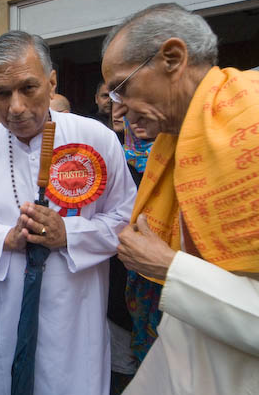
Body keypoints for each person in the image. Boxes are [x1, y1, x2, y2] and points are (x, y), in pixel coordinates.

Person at [0, 30, 137, 394]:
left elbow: (125, 220)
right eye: (2, 93)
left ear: (51, 82)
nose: (15, 107)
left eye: (28, 88)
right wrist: (6, 238)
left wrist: (70, 235)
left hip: (76, 323)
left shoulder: (96, 138)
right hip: (5, 317)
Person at [102, 3, 259, 394]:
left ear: (172, 58)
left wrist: (170, 268)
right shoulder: (174, 144)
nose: (116, 107)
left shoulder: (250, 131)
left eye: (122, 87)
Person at [107, 117, 161, 394]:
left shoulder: (183, 160)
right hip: (122, 284)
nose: (133, 115)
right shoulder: (113, 158)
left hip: (171, 286)